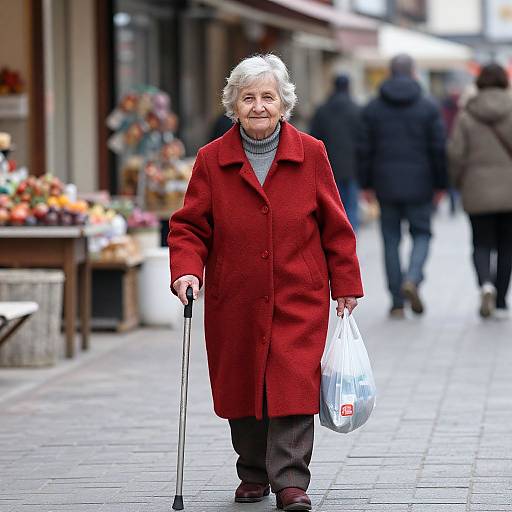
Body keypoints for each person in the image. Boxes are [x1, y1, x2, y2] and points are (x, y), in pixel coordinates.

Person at [168, 54, 363, 510]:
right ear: (233, 105)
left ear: (284, 104)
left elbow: (336, 224)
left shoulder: (311, 152)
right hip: (234, 297)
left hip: (299, 292)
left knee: (293, 384)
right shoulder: (211, 160)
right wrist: (186, 270)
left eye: (267, 97)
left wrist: (346, 282)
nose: (258, 106)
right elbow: (189, 227)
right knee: (243, 388)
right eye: (248, 97)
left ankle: (292, 481)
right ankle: (253, 470)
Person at [359, 54, 447, 318]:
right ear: (413, 73)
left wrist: (366, 184)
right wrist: (441, 184)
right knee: (422, 233)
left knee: (390, 239)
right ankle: (413, 276)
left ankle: (397, 300)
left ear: (389, 73)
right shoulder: (428, 107)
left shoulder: (373, 108)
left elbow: (363, 150)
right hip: (421, 183)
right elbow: (439, 149)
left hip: (385, 184)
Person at [448, 63, 512, 319]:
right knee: (507, 245)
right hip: (509, 190)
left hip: (476, 188)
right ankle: (500, 299)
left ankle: (485, 284)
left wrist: (457, 183)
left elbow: (455, 154)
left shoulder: (467, 114)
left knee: (481, 241)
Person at [310, 73, 363, 231]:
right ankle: (351, 240)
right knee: (352, 207)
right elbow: (363, 140)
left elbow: (313, 137)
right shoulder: (357, 110)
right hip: (353, 167)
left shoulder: (322, 110)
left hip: (328, 166)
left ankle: (337, 239)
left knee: (333, 208)